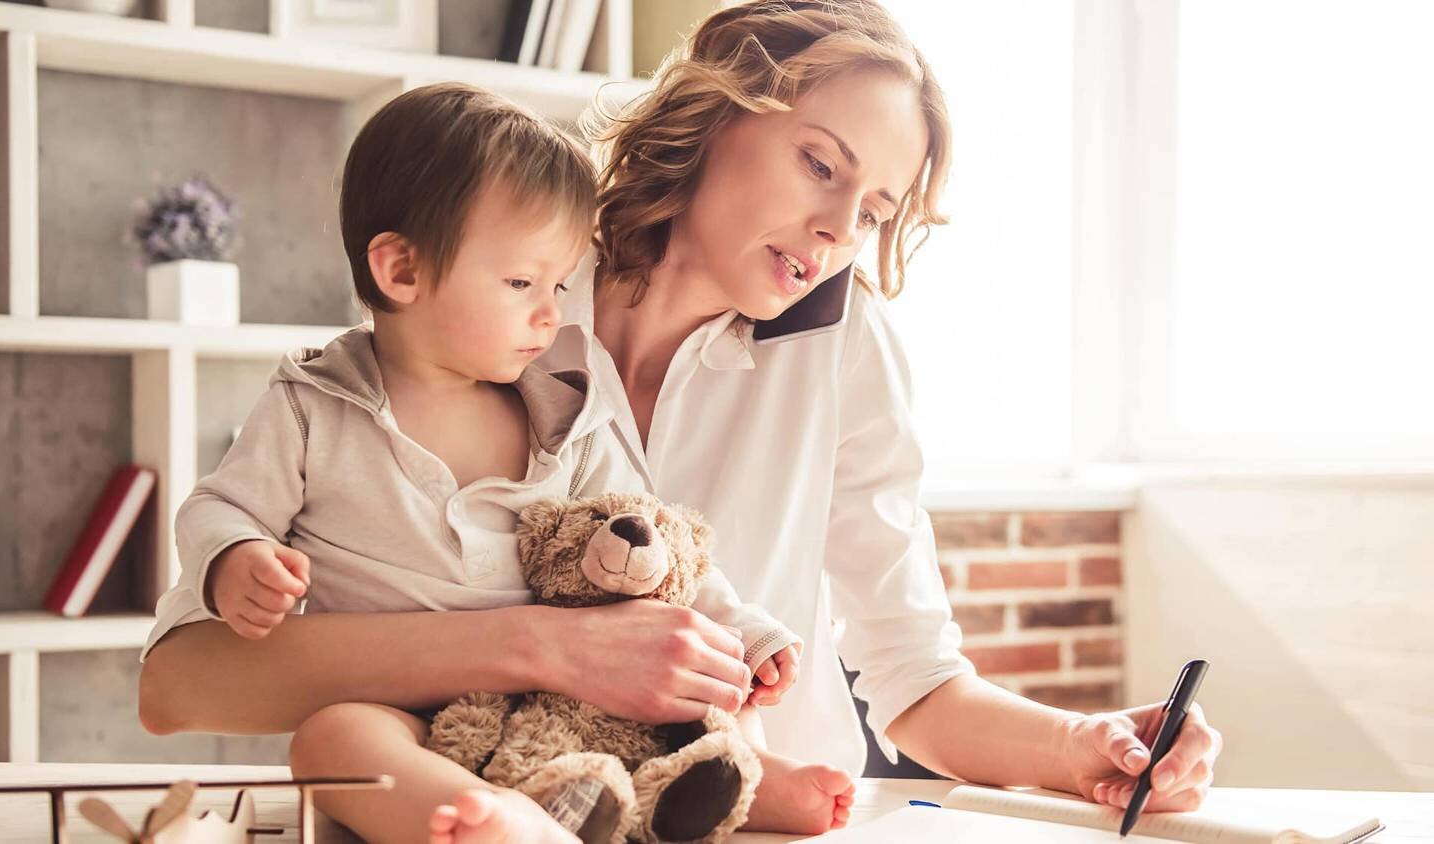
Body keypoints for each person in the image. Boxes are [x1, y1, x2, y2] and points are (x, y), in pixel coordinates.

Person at [140, 0, 1222, 837]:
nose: (840, 229)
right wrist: (551, 648)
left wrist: (1083, 743)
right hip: (504, 805)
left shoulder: (845, 351)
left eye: (876, 210)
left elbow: (917, 680)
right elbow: (185, 679)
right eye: (821, 164)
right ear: (717, 110)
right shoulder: (505, 288)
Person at [140, 82, 820, 843]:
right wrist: (236, 556)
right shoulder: (312, 407)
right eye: (522, 283)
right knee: (329, 743)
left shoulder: (567, 411)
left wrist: (746, 633)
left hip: (554, 712)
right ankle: (494, 819)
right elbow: (218, 507)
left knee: (695, 668)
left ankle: (737, 780)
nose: (551, 313)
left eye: (559, 284)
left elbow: (659, 546)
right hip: (400, 711)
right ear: (401, 272)